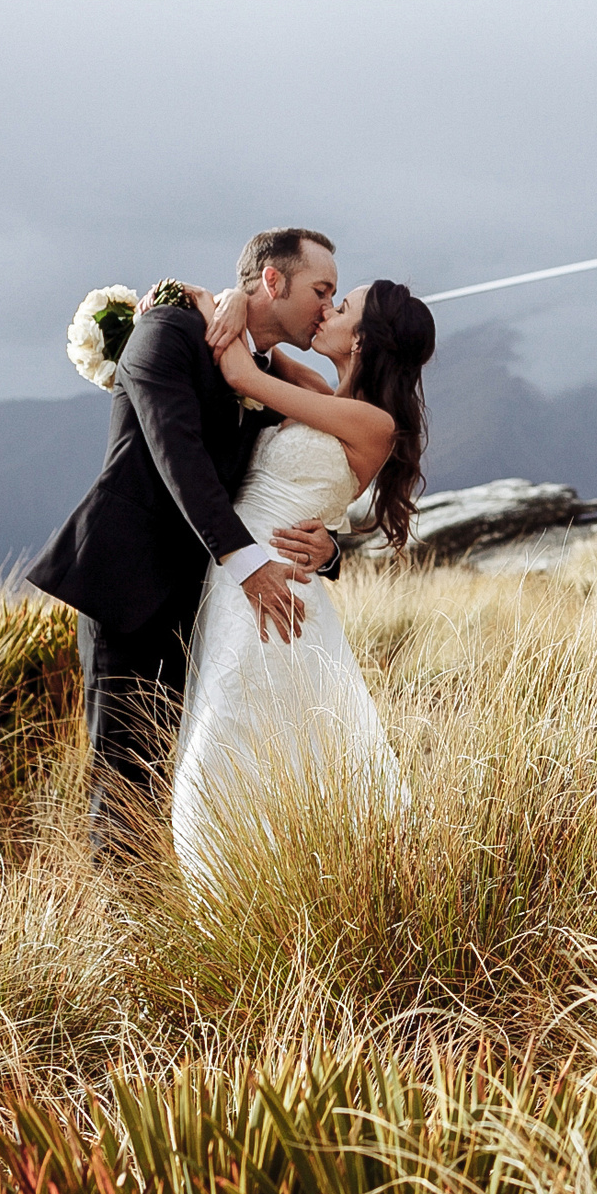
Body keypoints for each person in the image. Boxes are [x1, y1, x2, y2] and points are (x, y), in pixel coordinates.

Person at [27, 228, 346, 860]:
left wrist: (329, 548)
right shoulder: (167, 331)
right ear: (274, 280)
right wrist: (249, 566)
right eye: (321, 288)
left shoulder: (255, 367)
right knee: (124, 788)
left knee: (177, 786)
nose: (328, 306)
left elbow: (277, 481)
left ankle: (164, 932)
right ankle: (119, 951)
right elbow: (180, 456)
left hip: (202, 609)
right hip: (130, 594)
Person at [165, 277, 435, 889]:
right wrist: (235, 300)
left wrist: (211, 305)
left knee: (228, 740)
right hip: (236, 580)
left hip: (276, 591)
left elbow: (244, 377)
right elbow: (260, 351)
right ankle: (261, 892)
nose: (326, 311)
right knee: (252, 739)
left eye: (342, 306)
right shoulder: (316, 390)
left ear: (364, 339)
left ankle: (231, 896)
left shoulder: (372, 423)